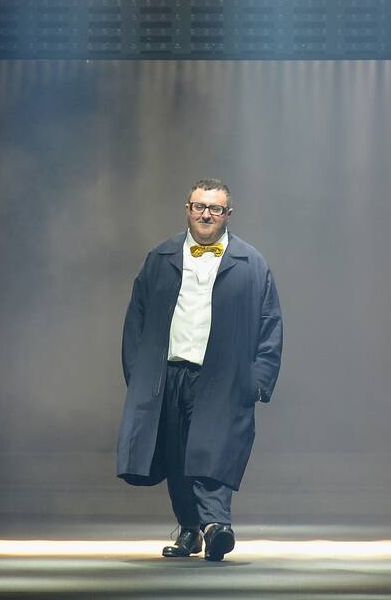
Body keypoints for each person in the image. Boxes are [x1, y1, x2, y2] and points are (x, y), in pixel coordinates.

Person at [115, 179, 283, 561]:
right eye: (199, 206)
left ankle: (217, 524)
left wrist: (258, 381)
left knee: (212, 450)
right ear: (188, 209)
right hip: (171, 372)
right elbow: (136, 318)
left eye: (215, 208)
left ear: (228, 214)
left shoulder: (251, 264)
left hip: (223, 377)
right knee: (177, 456)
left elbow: (270, 322)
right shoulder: (161, 258)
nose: (206, 214)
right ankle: (191, 529)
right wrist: (138, 375)